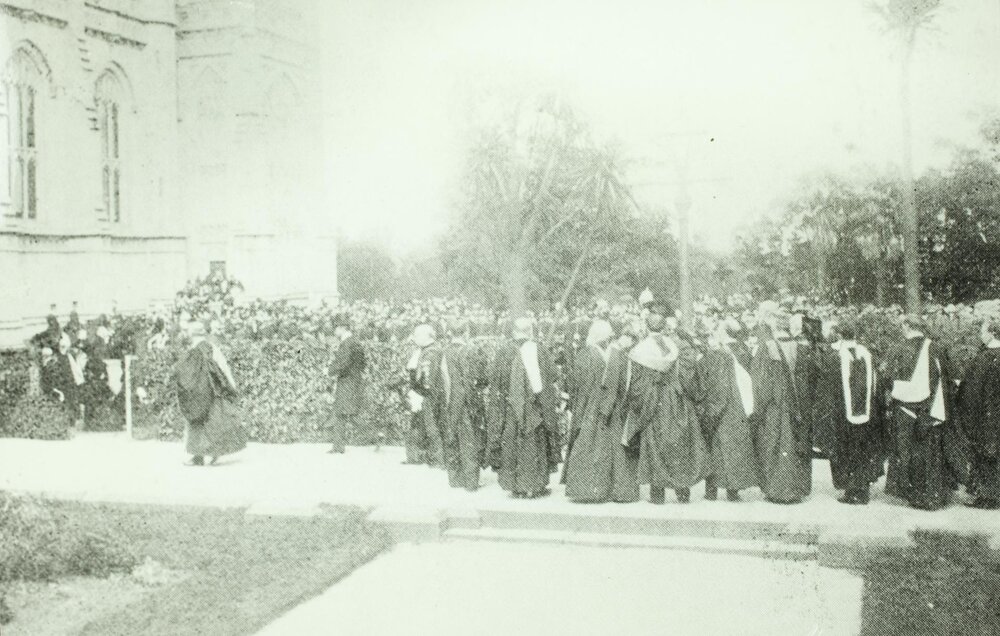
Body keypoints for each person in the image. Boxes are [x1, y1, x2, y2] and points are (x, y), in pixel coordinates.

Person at [622, 302, 709, 504]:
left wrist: (641, 404)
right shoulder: (676, 346)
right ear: (664, 325)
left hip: (654, 403)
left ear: (647, 325)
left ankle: (657, 495)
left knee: (655, 445)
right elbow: (688, 376)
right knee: (679, 443)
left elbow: (636, 386)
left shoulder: (639, 350)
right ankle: (683, 492)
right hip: (676, 401)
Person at [884, 314, 965, 510]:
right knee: (930, 452)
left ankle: (912, 492)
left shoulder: (898, 349)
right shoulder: (936, 348)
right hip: (931, 408)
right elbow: (950, 379)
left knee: (907, 452)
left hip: (904, 409)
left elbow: (887, 379)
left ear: (907, 326)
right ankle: (933, 494)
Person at [488, 317, 560, 498]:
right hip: (534, 407)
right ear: (530, 331)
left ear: (514, 332)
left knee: (511, 443)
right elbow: (553, 375)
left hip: (510, 407)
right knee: (533, 444)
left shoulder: (503, 351)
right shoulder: (538, 349)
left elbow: (494, 378)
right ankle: (533, 486)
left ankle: (515, 486)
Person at [752, 303, 811, 504]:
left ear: (774, 325)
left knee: (775, 444)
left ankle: (778, 489)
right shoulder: (800, 347)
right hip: (796, 402)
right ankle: (797, 487)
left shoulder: (768, 348)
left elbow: (761, 382)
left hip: (775, 405)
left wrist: (758, 408)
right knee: (793, 443)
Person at [698, 318, 762, 502]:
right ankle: (733, 490)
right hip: (739, 406)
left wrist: (709, 410)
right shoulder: (744, 351)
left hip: (721, 406)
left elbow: (712, 385)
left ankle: (711, 491)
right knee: (734, 448)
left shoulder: (716, 355)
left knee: (715, 448)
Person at [825, 322, 886, 505]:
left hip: (843, 413)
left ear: (840, 336)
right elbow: (877, 384)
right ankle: (863, 489)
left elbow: (831, 389)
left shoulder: (835, 357)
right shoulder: (867, 354)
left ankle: (851, 491)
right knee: (863, 448)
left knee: (847, 449)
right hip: (868, 411)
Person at [173, 322, 247, 466]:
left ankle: (198, 457)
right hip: (213, 390)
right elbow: (223, 368)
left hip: (196, 393)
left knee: (196, 424)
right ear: (204, 333)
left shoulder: (191, 351)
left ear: (191, 334)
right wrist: (232, 386)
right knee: (213, 422)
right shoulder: (212, 348)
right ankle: (211, 453)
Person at [563, 318, 616, 502]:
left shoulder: (592, 353)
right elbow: (582, 385)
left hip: (594, 404)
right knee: (592, 445)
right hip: (592, 405)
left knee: (592, 445)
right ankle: (589, 489)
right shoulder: (589, 355)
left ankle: (593, 488)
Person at [433, 318, 486, 490]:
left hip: (448, 401)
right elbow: (477, 378)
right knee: (469, 440)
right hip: (466, 401)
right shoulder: (469, 351)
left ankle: (455, 479)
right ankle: (471, 482)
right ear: (465, 333)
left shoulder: (443, 352)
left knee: (451, 438)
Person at [957, 318, 1000, 509]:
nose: (981, 335)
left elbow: (972, 392)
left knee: (985, 453)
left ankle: (987, 496)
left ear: (992, 333)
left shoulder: (984, 358)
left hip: (986, 415)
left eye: (983, 331)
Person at [601, 320, 643, 503]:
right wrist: (606, 411)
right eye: (630, 339)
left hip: (620, 407)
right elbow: (612, 386)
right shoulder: (617, 355)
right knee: (621, 452)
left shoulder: (618, 353)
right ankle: (623, 492)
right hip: (619, 408)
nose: (631, 343)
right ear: (623, 337)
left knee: (620, 450)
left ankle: (622, 491)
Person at [404, 324, 444, 465]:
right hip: (424, 394)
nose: (413, 338)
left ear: (425, 336)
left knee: (431, 427)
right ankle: (422, 457)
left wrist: (420, 393)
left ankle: (437, 460)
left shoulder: (431, 352)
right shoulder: (425, 350)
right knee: (422, 426)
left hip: (428, 395)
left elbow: (427, 378)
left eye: (416, 335)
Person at [326, 314, 367, 454]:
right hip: (352, 381)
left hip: (347, 382)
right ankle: (338, 447)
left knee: (347, 414)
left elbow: (343, 363)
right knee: (344, 413)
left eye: (335, 327)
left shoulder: (347, 343)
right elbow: (362, 363)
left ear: (342, 328)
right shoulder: (354, 341)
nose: (334, 331)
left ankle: (375, 435)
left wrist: (329, 370)